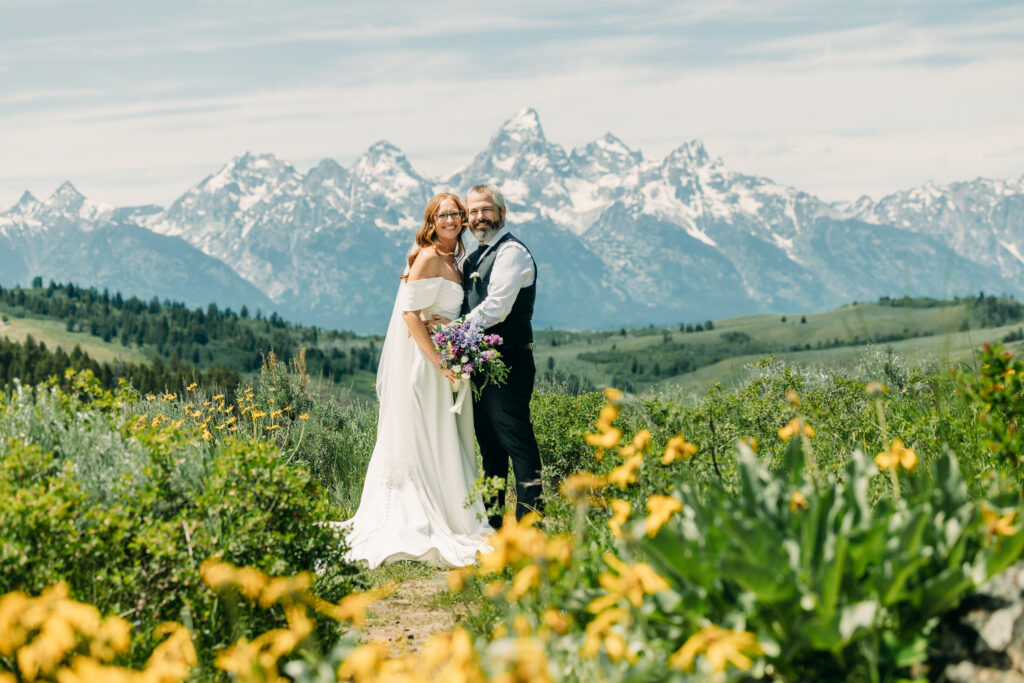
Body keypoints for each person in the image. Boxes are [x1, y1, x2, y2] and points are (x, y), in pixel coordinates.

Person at [338, 193, 493, 569]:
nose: (452, 220)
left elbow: (442, 311)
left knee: (445, 438)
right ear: (432, 221)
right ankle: (421, 514)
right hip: (429, 367)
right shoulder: (427, 257)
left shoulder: (456, 259)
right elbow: (410, 316)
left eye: (456, 214)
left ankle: (451, 508)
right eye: (443, 216)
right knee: (430, 436)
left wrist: (452, 333)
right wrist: (439, 360)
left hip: (447, 362)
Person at [460, 184, 542, 529]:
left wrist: (453, 329)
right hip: (481, 364)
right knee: (490, 446)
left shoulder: (512, 253)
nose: (479, 217)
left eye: (486, 210)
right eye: (473, 212)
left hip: (509, 362)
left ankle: (530, 521)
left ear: (502, 213)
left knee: (517, 440)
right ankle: (492, 521)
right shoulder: (475, 255)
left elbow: (496, 307)